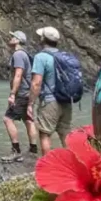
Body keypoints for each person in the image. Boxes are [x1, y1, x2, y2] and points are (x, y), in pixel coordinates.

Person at [27, 26, 74, 155]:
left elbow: (36, 83)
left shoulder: (41, 57)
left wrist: (30, 103)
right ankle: (73, 167)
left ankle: (48, 167)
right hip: (66, 100)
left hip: (49, 101)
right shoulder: (65, 56)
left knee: (45, 135)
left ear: (43, 39)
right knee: (66, 135)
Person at [1, 30, 39, 162]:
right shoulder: (26, 55)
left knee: (7, 119)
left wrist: (12, 94)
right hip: (28, 93)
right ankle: (33, 150)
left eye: (13, 37)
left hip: (21, 94)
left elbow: (18, 75)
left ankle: (16, 151)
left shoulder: (18, 54)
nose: (10, 38)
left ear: (17, 40)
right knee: (28, 119)